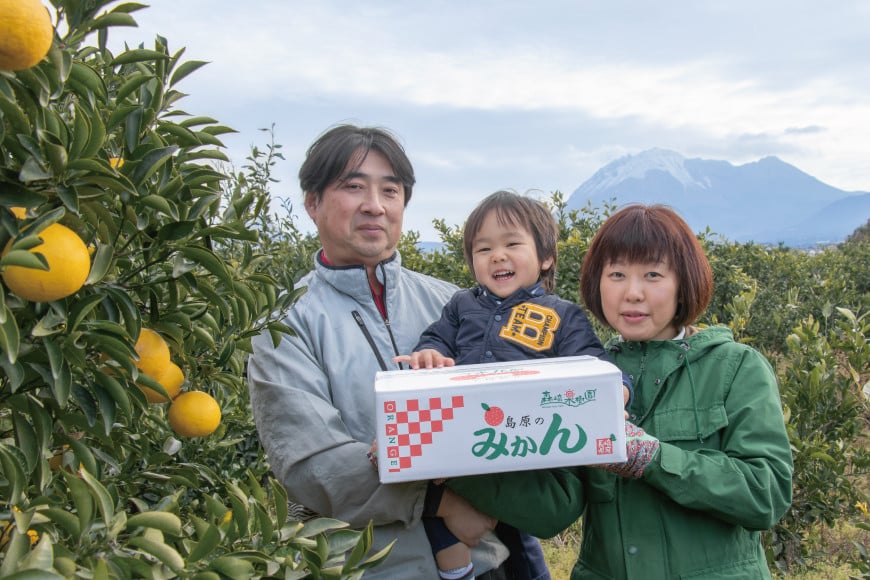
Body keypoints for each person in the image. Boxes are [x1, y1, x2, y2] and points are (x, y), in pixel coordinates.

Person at [446, 204, 794, 579]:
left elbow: (766, 493)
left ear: (684, 282)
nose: (632, 293)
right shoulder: (580, 376)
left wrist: (652, 458)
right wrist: (450, 460)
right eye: (616, 274)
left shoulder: (735, 367)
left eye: (653, 274)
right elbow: (554, 511)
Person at [247, 124, 513, 579]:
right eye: (354, 187)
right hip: (362, 567)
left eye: (390, 190)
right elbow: (314, 463)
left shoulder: (456, 303)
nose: (375, 205)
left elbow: (505, 408)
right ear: (312, 203)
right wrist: (440, 502)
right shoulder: (285, 323)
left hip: (482, 561)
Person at [388, 191, 632, 580]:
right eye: (483, 249)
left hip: (525, 446)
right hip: (469, 437)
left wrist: (617, 389)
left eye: (512, 244)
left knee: (519, 539)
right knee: (445, 527)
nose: (497, 256)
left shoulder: (560, 314)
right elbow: (436, 338)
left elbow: (594, 364)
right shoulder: (460, 305)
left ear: (546, 256)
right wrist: (429, 354)